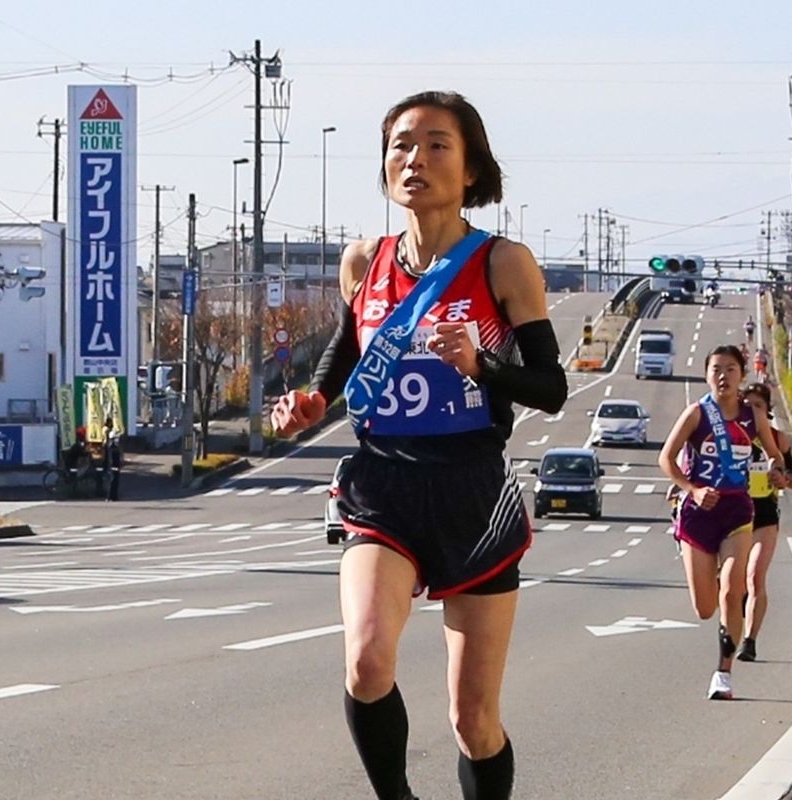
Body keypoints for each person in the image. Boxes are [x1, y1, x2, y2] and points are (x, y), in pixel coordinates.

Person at [269, 91, 566, 800]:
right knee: (368, 662)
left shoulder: (503, 264)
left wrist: (482, 366)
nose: (416, 159)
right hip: (382, 484)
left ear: (470, 170)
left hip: (471, 489)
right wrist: (309, 405)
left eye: (437, 145)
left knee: (474, 722)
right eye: (402, 145)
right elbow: (339, 366)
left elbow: (551, 387)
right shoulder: (364, 261)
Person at [658, 346, 784, 700]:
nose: (722, 376)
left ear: (742, 376)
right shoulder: (696, 414)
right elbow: (666, 459)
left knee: (733, 589)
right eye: (716, 369)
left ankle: (723, 673)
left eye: (730, 369)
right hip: (698, 513)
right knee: (705, 608)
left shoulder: (751, 416)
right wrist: (691, 489)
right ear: (706, 375)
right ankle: (710, 571)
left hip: (737, 511)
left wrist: (777, 472)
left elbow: (776, 456)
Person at [738, 383, 792, 662]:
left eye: (758, 407)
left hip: (764, 515)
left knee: (755, 576)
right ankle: (739, 608)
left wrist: (781, 477)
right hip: (733, 515)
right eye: (747, 406)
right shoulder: (730, 437)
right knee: (734, 582)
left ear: (767, 411)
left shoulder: (778, 439)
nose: (752, 413)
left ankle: (749, 641)